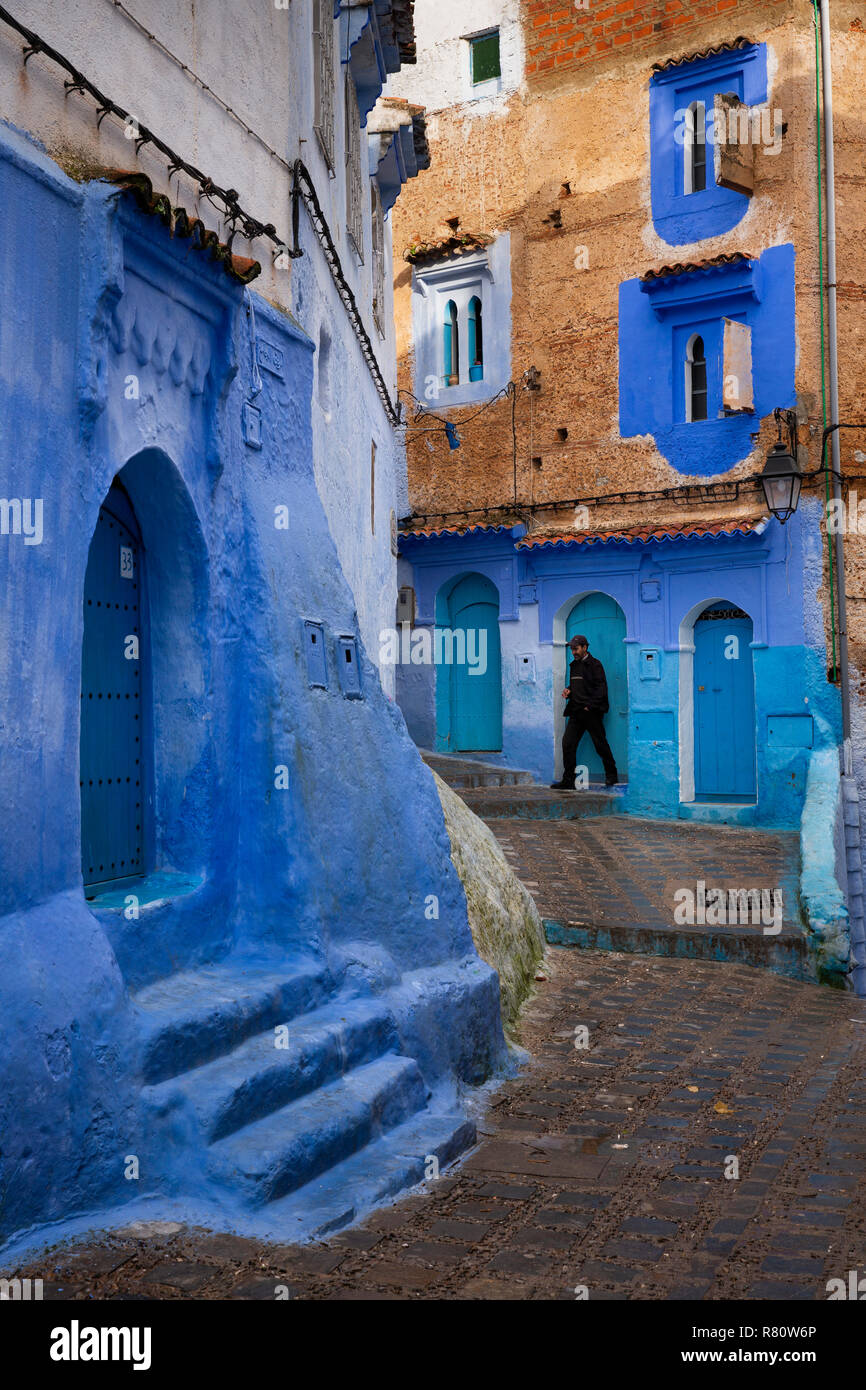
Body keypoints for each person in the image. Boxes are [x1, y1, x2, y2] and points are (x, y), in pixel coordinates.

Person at [550, 634, 619, 790]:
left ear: (585, 647)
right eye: (572, 649)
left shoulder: (595, 665)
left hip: (591, 712)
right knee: (567, 744)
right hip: (576, 711)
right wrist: (569, 691)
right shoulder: (574, 665)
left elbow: (601, 689)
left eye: (576, 648)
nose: (573, 652)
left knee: (600, 744)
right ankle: (568, 781)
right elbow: (579, 686)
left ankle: (612, 775)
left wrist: (590, 706)